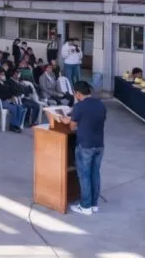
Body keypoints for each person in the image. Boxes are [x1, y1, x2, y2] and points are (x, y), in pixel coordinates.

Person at [60, 81, 106, 216]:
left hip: (85, 144)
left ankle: (85, 206)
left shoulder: (79, 106)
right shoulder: (100, 104)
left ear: (78, 93)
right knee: (95, 173)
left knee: (84, 175)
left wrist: (67, 121)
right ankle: (94, 204)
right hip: (99, 144)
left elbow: (72, 127)